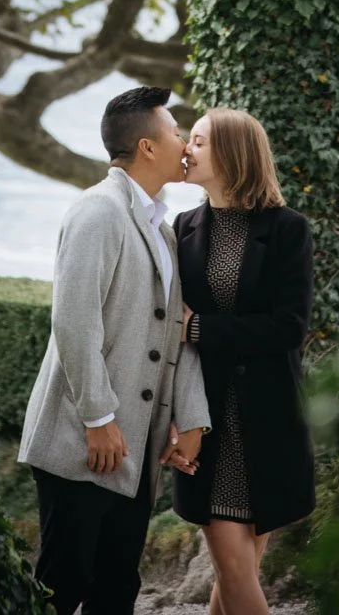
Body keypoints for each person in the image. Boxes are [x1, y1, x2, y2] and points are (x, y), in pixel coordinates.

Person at [19, 85, 212, 615]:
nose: (184, 144)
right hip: (83, 442)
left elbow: (176, 330)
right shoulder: (97, 212)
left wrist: (189, 419)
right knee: (63, 583)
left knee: (115, 588)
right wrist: (99, 417)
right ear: (148, 147)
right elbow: (73, 320)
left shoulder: (164, 230)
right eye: (176, 133)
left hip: (136, 452)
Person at [174, 107, 315, 615]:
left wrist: (200, 328)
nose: (185, 149)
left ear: (232, 153)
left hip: (267, 425)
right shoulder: (182, 227)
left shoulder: (288, 231)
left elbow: (289, 328)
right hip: (205, 425)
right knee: (236, 574)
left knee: (235, 579)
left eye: (197, 140)